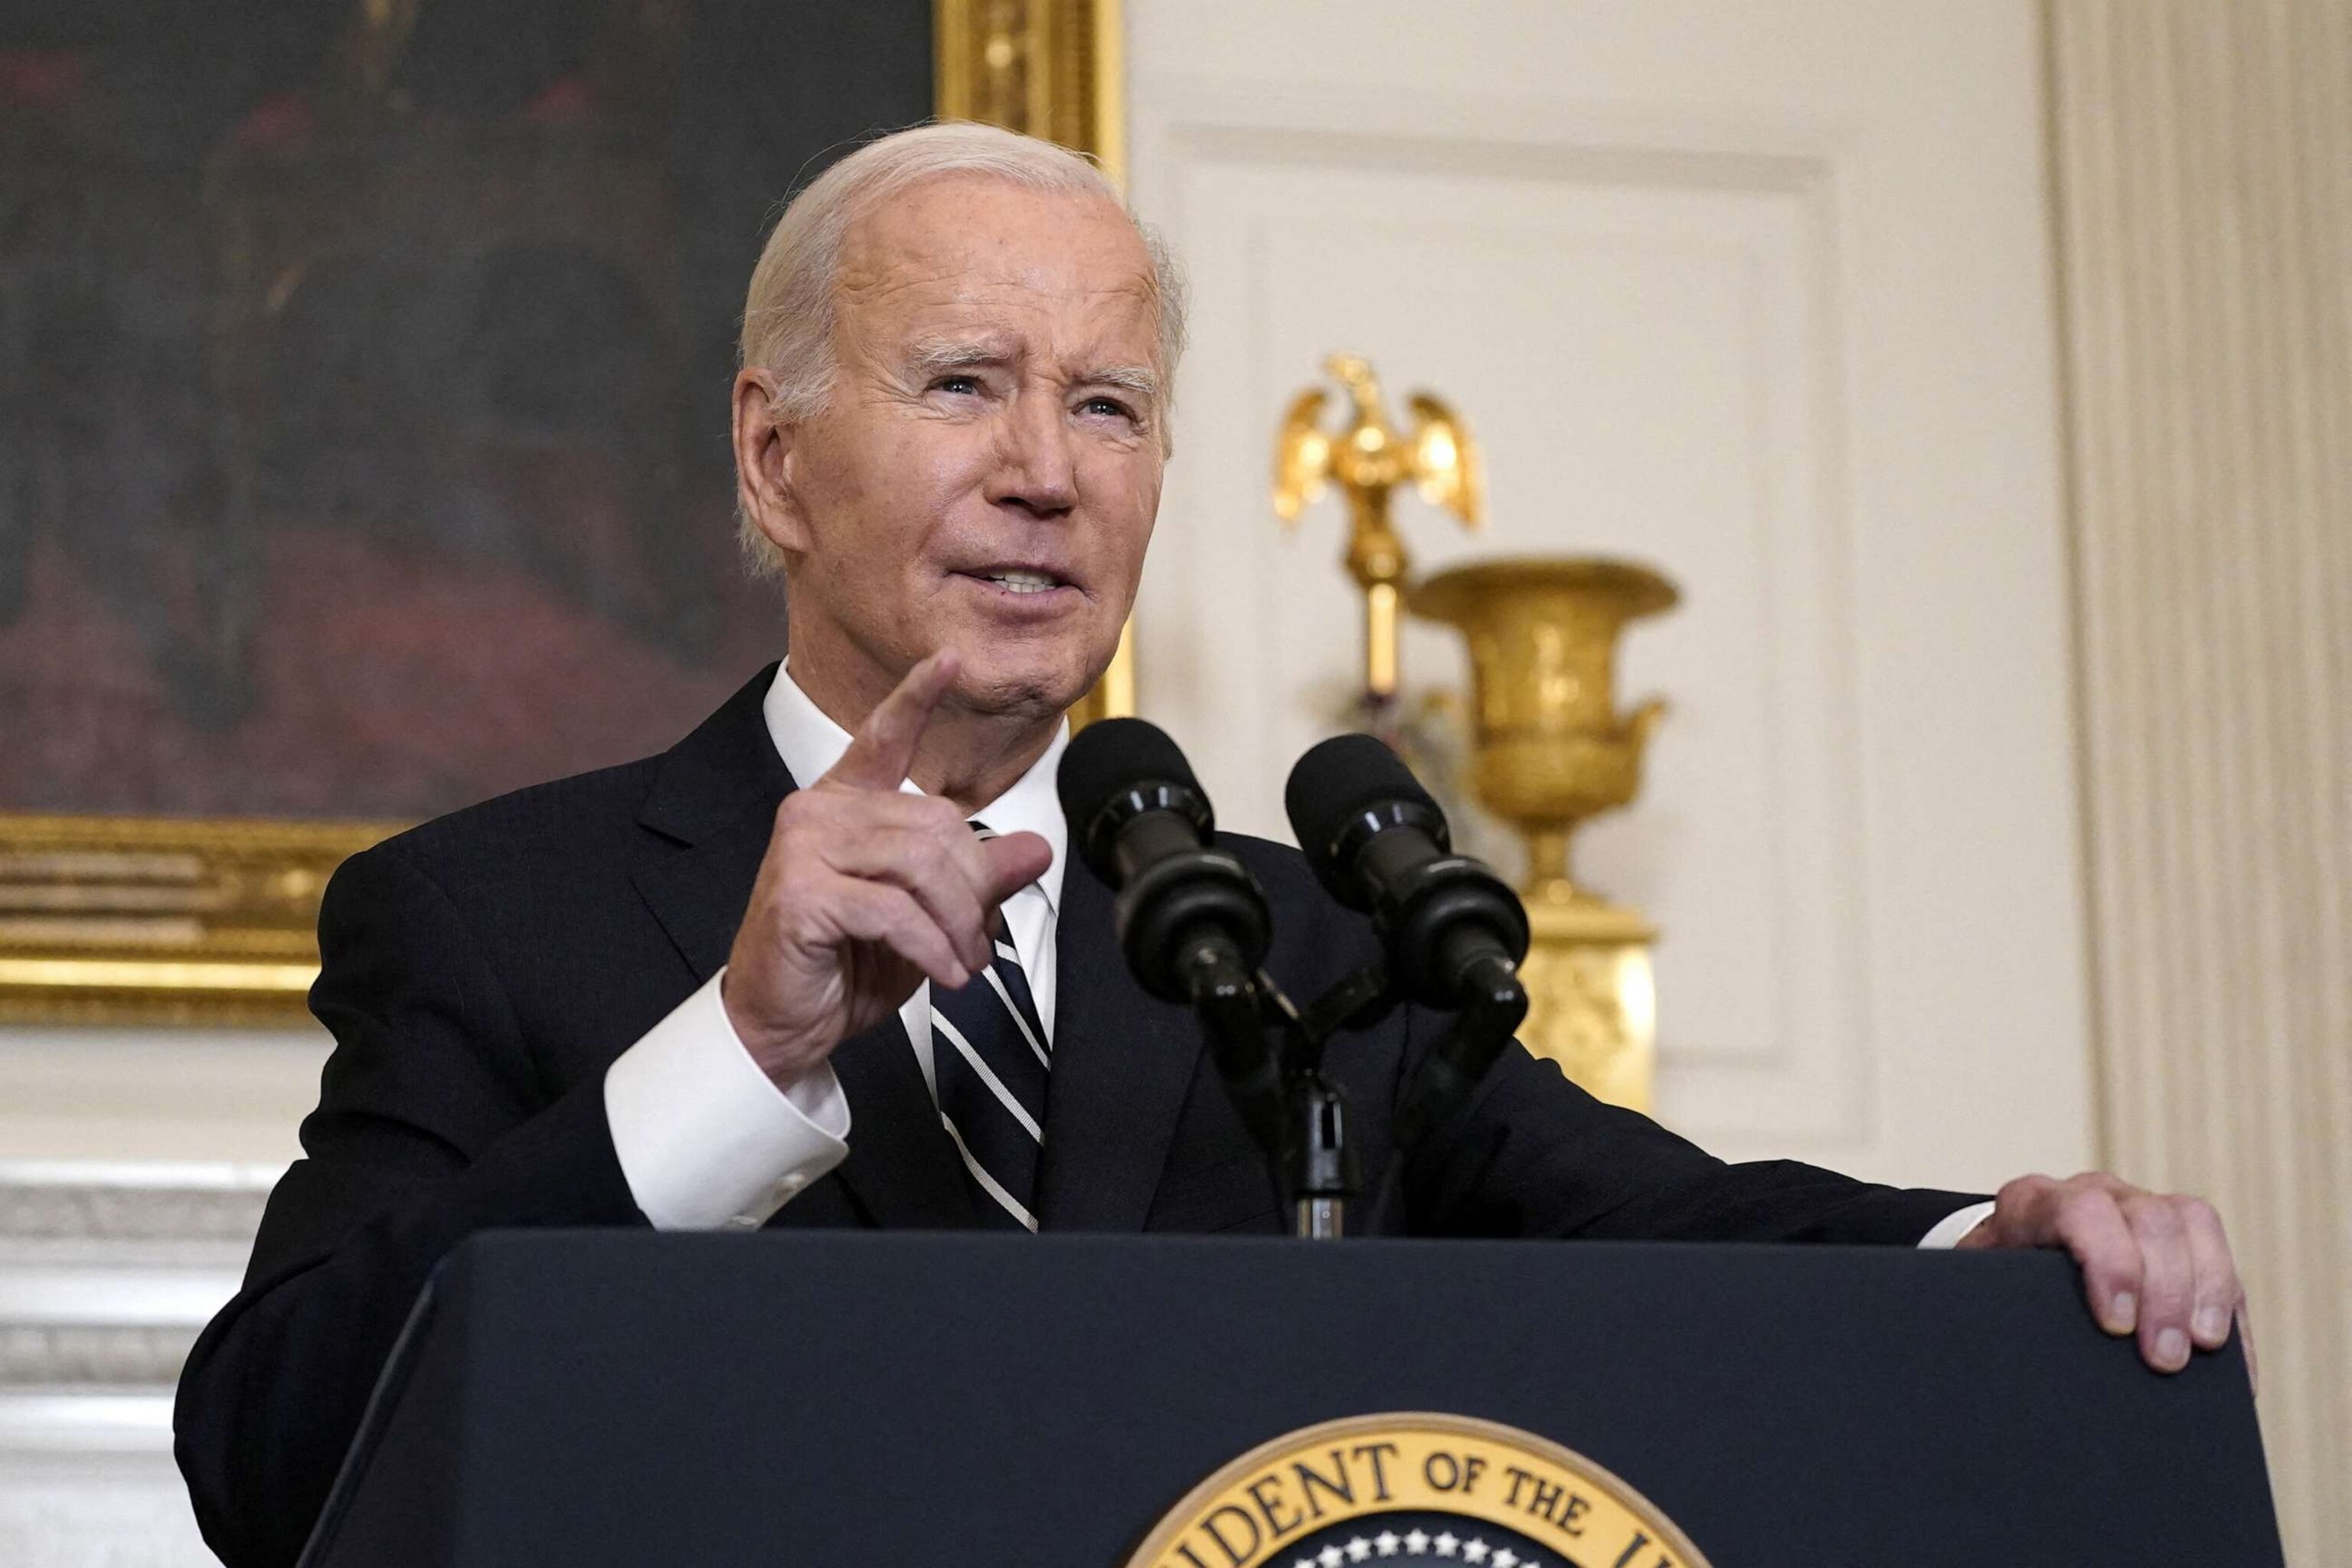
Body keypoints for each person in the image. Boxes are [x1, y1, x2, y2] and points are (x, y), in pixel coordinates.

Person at [172, 122, 2251, 1568]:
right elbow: (279, 1460)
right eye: (968, 383)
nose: (1043, 475)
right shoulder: (489, 914)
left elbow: (1667, 1236)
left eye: (1109, 406)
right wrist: (739, 1048)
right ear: (774, 454)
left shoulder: (1299, 937)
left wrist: (1986, 1245)